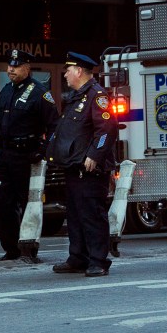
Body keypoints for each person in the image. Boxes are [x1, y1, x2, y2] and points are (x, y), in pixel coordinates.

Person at [46, 51, 118, 277]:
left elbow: (107, 129)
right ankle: (78, 257)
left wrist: (95, 155)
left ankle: (98, 260)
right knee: (75, 215)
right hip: (73, 166)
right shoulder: (77, 97)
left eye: (68, 70)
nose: (65, 74)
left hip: (89, 169)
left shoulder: (97, 96)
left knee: (92, 214)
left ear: (78, 71)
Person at [0, 49, 59, 262]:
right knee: (4, 205)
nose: (11, 69)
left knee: (28, 205)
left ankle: (29, 249)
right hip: (5, 155)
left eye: (16, 65)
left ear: (27, 67)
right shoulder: (6, 90)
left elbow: (54, 127)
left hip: (26, 156)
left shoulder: (39, 93)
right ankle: (11, 249)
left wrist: (42, 151)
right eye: (10, 65)